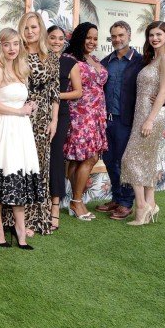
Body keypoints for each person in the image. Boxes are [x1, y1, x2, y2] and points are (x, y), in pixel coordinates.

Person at [0, 28, 41, 250]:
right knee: (1, 175)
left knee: (19, 178)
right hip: (4, 127)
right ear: (0, 47)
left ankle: (20, 230)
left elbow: (19, 102)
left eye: (15, 43)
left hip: (21, 130)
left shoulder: (22, 69)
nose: (12, 48)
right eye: (7, 44)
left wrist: (29, 107)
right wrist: (19, 111)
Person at [120, 21, 165, 225]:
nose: (155, 38)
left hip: (150, 117)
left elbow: (164, 90)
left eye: (159, 34)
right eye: (151, 35)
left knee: (130, 159)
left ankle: (142, 206)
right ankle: (150, 203)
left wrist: (150, 120)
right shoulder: (153, 58)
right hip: (140, 115)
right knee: (146, 161)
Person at [95, 21, 144, 221]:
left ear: (129, 36)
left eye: (121, 35)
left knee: (125, 162)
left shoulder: (140, 62)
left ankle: (126, 203)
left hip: (127, 121)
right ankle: (116, 198)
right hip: (106, 121)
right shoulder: (106, 62)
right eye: (114, 36)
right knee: (109, 161)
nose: (117, 39)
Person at [16, 12, 59, 235]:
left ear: (40, 29)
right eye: (26, 28)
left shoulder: (50, 56)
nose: (30, 31)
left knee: (39, 167)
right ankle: (17, 220)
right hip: (20, 116)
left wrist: (54, 120)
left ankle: (34, 219)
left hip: (43, 120)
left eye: (33, 27)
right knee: (20, 166)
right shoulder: (16, 54)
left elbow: (55, 91)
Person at [63, 22, 108, 220]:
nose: (92, 42)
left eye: (95, 38)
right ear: (79, 37)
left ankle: (76, 201)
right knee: (87, 158)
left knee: (80, 158)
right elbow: (63, 86)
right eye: (88, 37)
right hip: (79, 115)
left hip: (96, 116)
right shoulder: (68, 59)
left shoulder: (94, 58)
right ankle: (76, 201)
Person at [46, 25, 82, 230]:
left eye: (61, 39)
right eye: (53, 37)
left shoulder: (70, 63)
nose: (57, 42)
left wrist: (55, 95)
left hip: (60, 115)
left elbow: (77, 92)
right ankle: (36, 207)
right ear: (46, 39)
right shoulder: (38, 59)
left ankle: (55, 207)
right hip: (36, 114)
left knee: (56, 159)